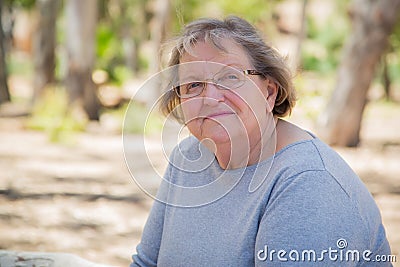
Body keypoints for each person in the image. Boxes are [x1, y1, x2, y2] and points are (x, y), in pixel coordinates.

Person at [129, 16, 392, 266]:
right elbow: (147, 263)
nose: (210, 97)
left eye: (230, 77)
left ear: (268, 92)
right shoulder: (186, 156)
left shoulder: (307, 182)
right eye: (193, 85)